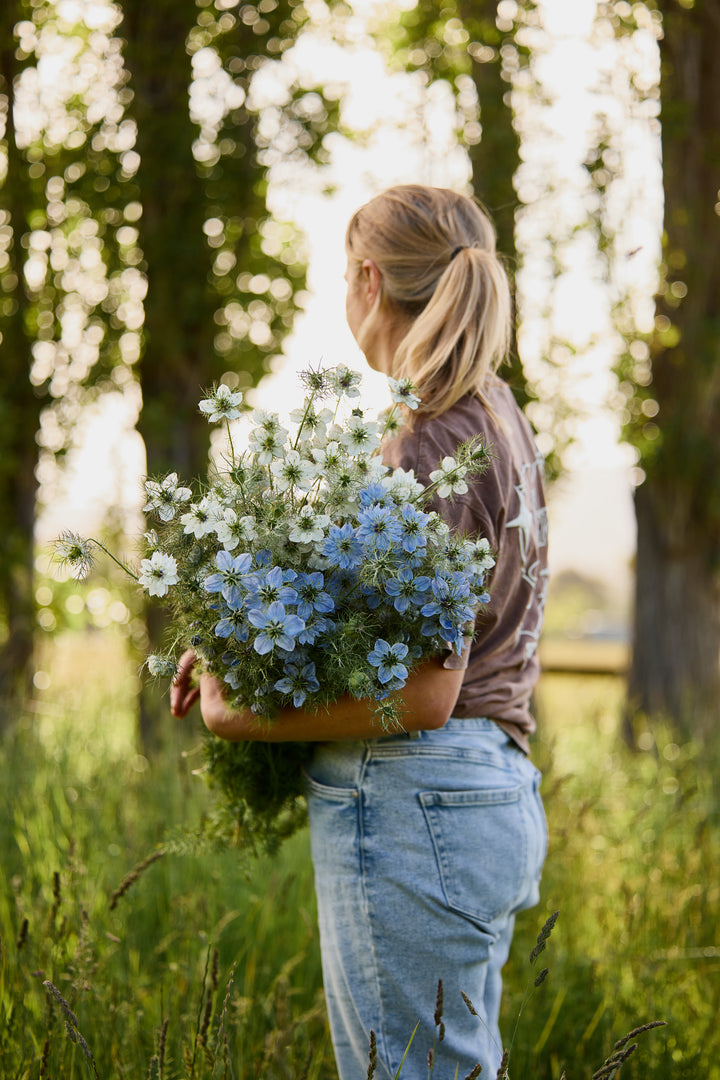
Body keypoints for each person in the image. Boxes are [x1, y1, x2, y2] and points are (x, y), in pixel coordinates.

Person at [171, 184, 549, 1080]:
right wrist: (240, 644)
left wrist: (237, 718)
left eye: (345, 274)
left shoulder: (430, 443)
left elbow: (424, 691)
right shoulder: (495, 415)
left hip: (416, 802)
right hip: (484, 789)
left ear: (369, 281)